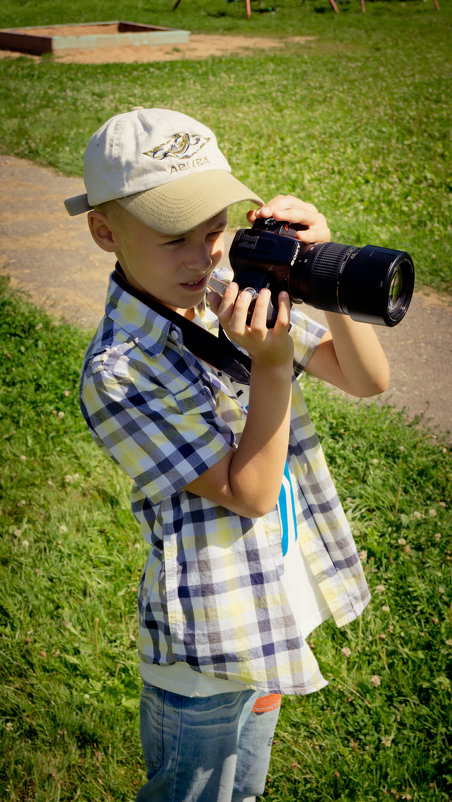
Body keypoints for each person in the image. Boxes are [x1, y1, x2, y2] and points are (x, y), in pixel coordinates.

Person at [64, 107, 390, 802]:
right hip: (210, 649)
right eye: (173, 237)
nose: (203, 255)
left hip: (273, 616)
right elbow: (247, 491)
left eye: (215, 231)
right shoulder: (119, 372)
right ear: (103, 231)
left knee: (244, 790)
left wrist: (321, 276)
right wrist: (270, 370)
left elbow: (366, 380)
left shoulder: (220, 295)